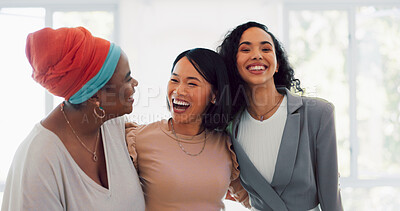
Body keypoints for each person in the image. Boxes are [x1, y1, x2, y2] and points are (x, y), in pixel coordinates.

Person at [1, 27, 145, 211]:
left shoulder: (112, 124)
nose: (135, 83)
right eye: (127, 79)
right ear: (95, 96)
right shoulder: (40, 160)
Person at [217, 21, 343, 211]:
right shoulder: (229, 127)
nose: (257, 55)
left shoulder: (318, 114)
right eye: (245, 49)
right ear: (233, 65)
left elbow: (331, 197)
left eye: (266, 49)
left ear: (277, 64)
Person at [125, 48, 249, 211]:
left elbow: (255, 199)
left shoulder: (226, 145)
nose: (179, 91)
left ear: (214, 95)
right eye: (174, 80)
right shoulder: (139, 139)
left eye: (192, 83)